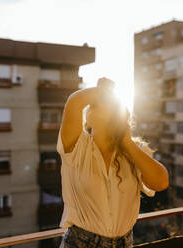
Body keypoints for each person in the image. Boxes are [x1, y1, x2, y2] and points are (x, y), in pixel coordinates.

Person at [57, 77, 169, 248]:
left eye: (101, 105)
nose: (93, 105)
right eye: (93, 105)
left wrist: (128, 143)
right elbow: (74, 102)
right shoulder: (76, 147)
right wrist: (104, 92)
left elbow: (161, 182)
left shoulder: (134, 151)